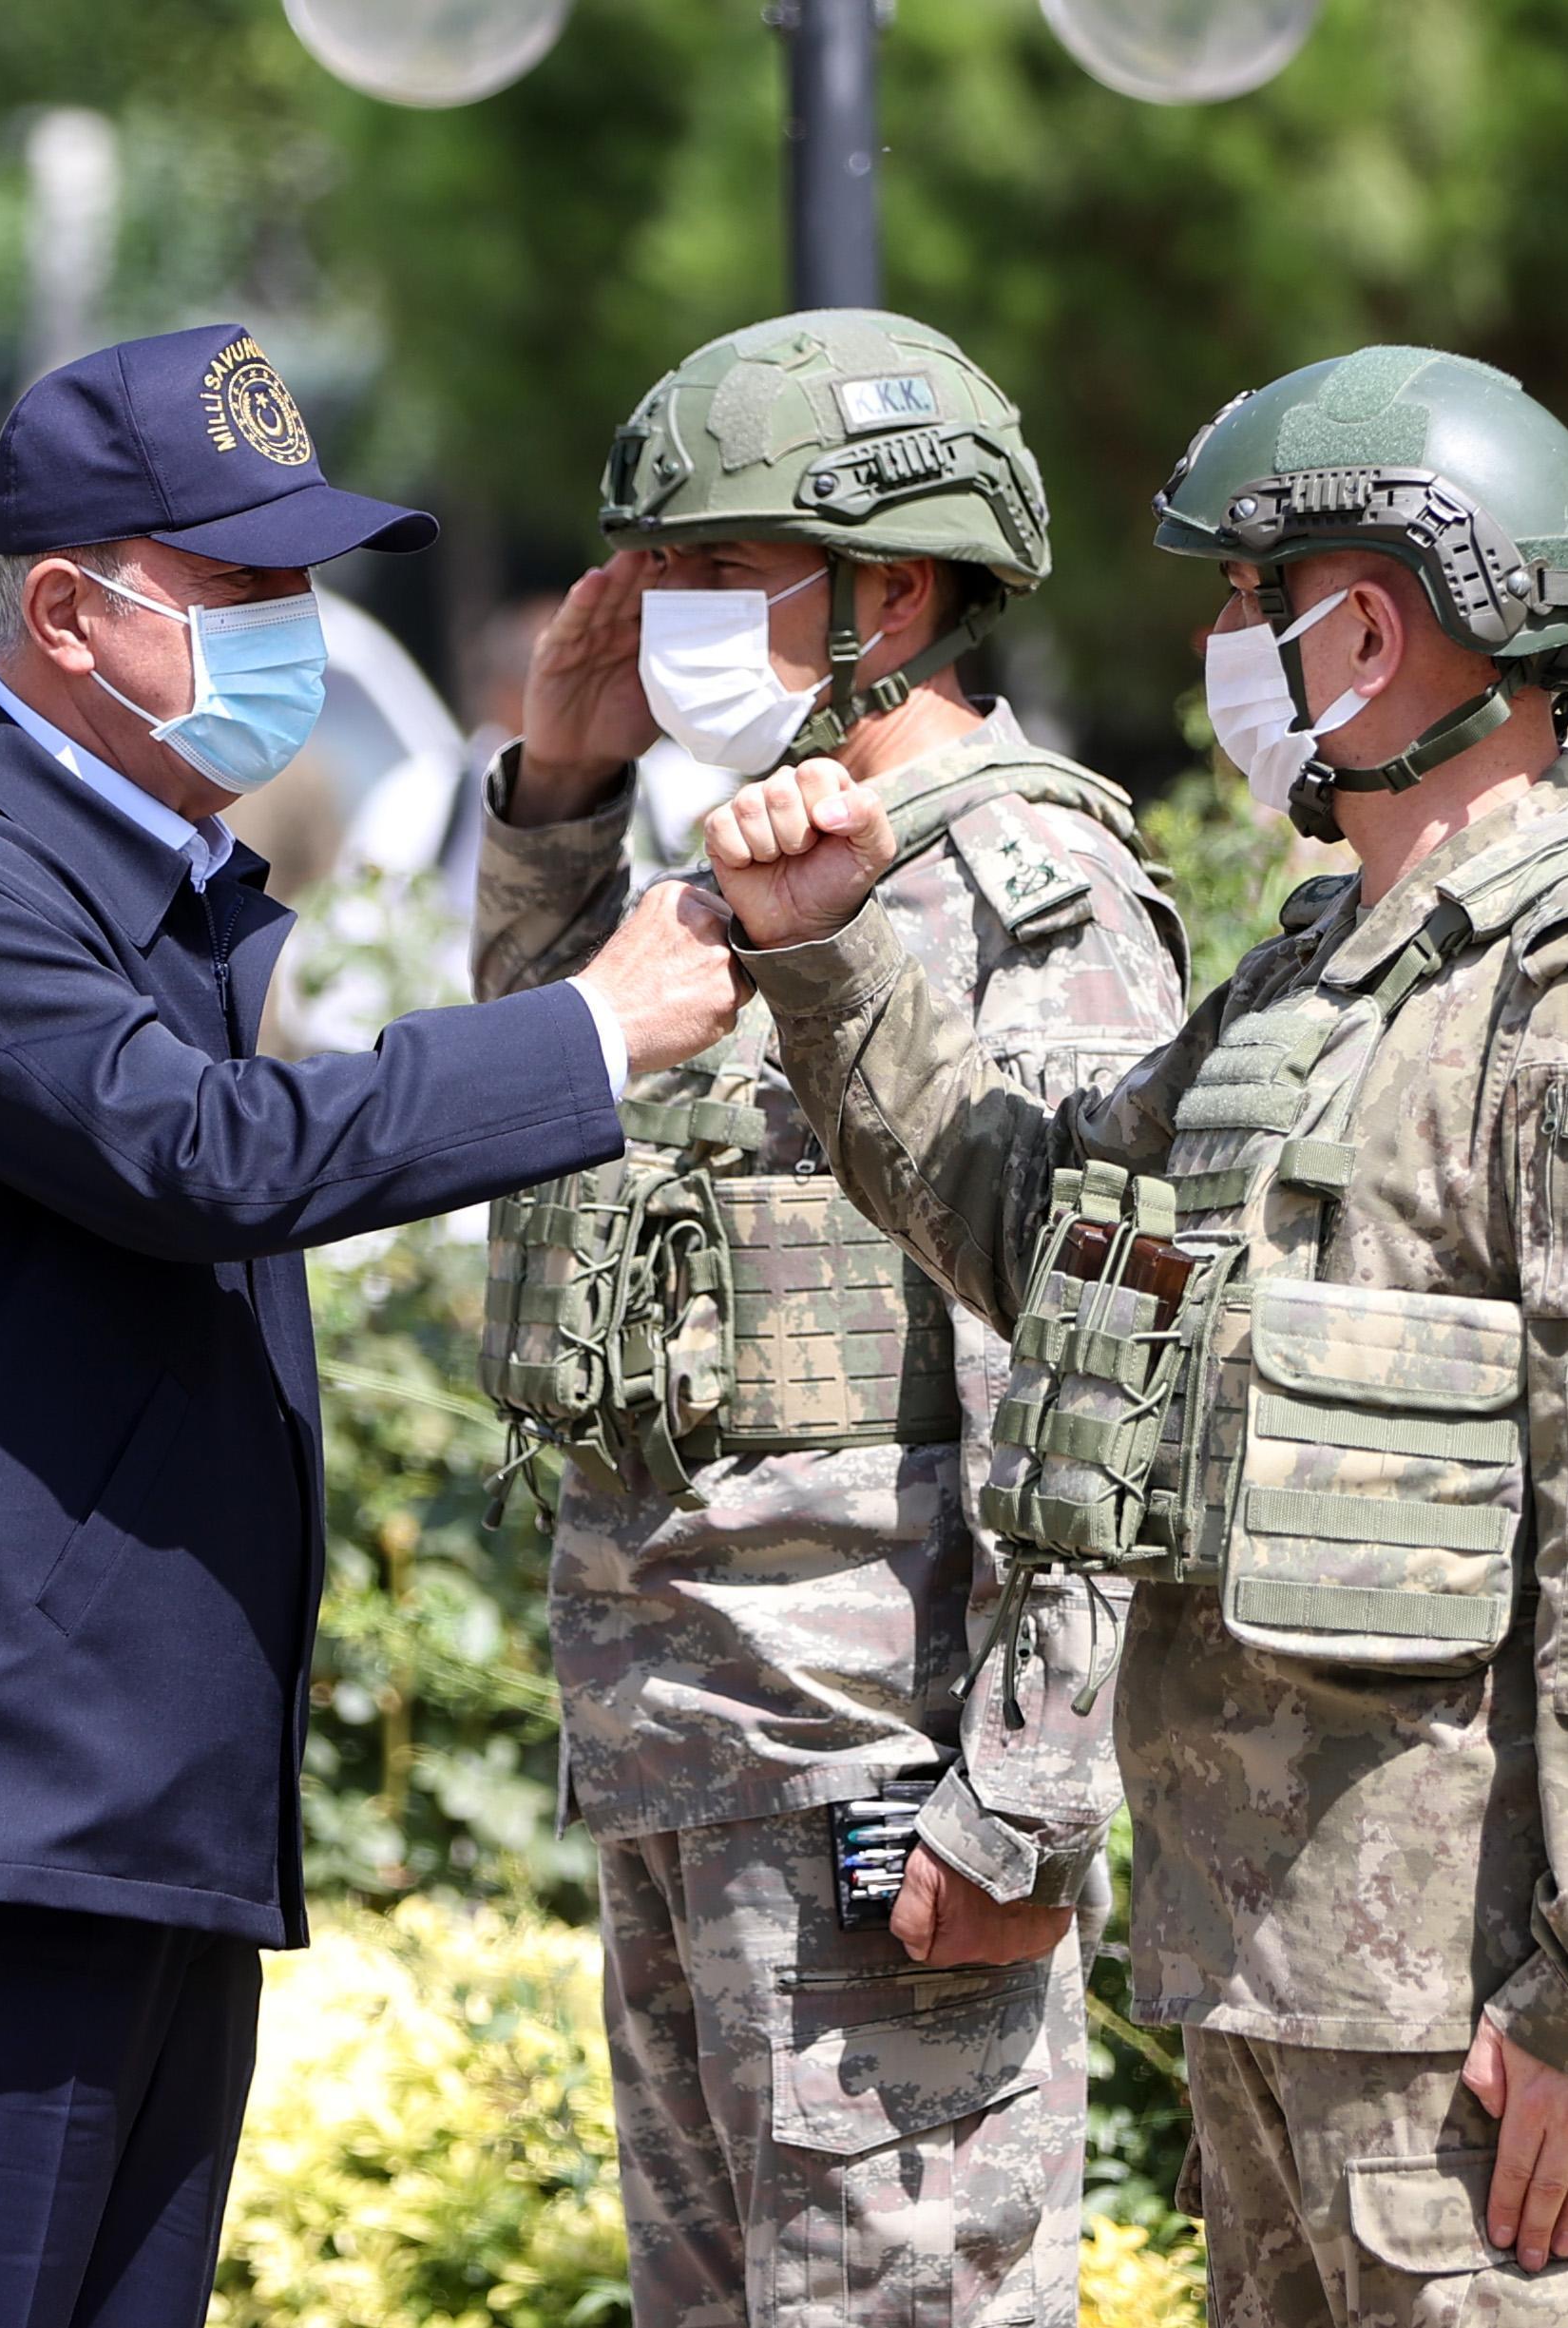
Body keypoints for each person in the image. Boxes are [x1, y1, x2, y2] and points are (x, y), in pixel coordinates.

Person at [686, 346, 1568, 2328]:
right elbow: (1046, 1243)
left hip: (1469, 2023)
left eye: (1245, 601)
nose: (1227, 645)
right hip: (1275, 1969)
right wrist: (829, 950)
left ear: (1363, 629)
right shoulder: (1317, 975)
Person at [0, 323, 733, 2328]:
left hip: (104, 1822)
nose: (295, 630)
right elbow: (204, 1155)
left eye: (301, 581)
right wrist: (594, 1025)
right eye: (240, 584)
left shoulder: (137, 896)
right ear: (67, 611)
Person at [464, 308, 1188, 2328]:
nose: (658, 611)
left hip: (875, 1774)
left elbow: (1096, 1370)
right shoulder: (754, 848)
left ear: (887, 585)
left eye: (712, 568)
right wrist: (559, 791)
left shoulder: (1019, 883)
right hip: (684, 1731)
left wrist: (1024, 1797)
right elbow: (553, 1144)